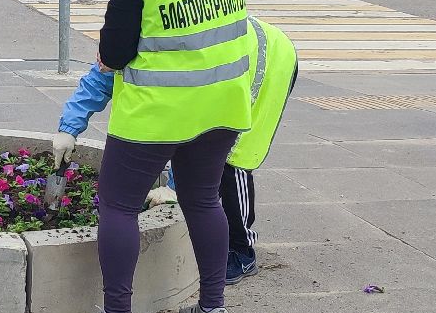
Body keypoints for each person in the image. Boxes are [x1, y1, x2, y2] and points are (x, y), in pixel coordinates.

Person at [62, 0, 253, 313]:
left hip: (157, 112)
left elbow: (117, 52)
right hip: (223, 104)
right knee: (204, 199)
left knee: (118, 206)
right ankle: (213, 308)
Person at [54, 14, 297, 282]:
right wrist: (68, 128)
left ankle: (242, 251)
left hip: (263, 60)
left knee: (232, 157)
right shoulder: (123, 44)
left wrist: (173, 186)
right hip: (218, 66)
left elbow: (190, 125)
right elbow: (98, 81)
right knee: (207, 166)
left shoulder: (168, 62)